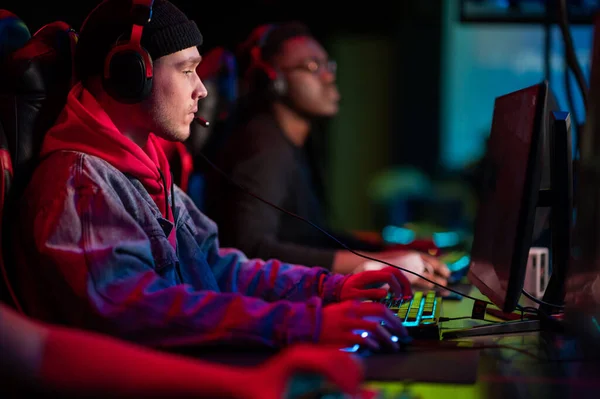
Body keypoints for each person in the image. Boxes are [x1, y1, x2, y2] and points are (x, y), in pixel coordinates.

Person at [11, 0, 410, 353]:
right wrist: (303, 324)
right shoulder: (83, 187)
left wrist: (331, 288)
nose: (201, 89)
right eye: (186, 70)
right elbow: (141, 312)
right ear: (130, 75)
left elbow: (219, 268)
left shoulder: (145, 168)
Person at [203, 22, 451, 285]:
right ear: (272, 80)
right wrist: (380, 263)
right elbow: (251, 250)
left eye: (327, 65)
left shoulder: (291, 143)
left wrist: (388, 249)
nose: (328, 76)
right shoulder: (263, 146)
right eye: (312, 66)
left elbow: (310, 237)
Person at [0, 302, 376, 398]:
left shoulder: (156, 168)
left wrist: (331, 288)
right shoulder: (84, 177)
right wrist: (300, 320)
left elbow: (37, 349)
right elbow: (132, 311)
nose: (204, 97)